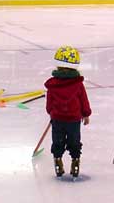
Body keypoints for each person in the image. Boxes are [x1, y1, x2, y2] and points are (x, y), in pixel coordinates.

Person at [44, 46, 92, 178]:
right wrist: (86, 114)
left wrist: (51, 112)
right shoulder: (78, 84)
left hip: (58, 119)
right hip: (73, 120)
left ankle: (57, 161)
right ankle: (75, 162)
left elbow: (49, 103)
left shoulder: (53, 84)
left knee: (57, 141)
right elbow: (83, 100)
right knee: (74, 141)